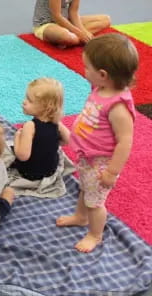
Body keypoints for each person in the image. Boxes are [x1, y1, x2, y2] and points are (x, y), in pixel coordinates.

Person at [56, 33, 138, 253]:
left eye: (87, 67)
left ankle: (95, 234)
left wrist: (112, 172)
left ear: (103, 74)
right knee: (85, 189)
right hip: (88, 156)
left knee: (95, 202)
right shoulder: (100, 88)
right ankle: (81, 217)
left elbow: (125, 142)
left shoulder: (119, 107)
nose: (84, 71)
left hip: (102, 164)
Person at [10, 78, 70, 180]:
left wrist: (17, 138)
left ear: (45, 107)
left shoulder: (30, 126)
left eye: (29, 100)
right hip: (50, 171)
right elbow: (68, 140)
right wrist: (49, 143)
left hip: (29, 173)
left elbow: (22, 156)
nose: (24, 102)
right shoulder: (57, 124)